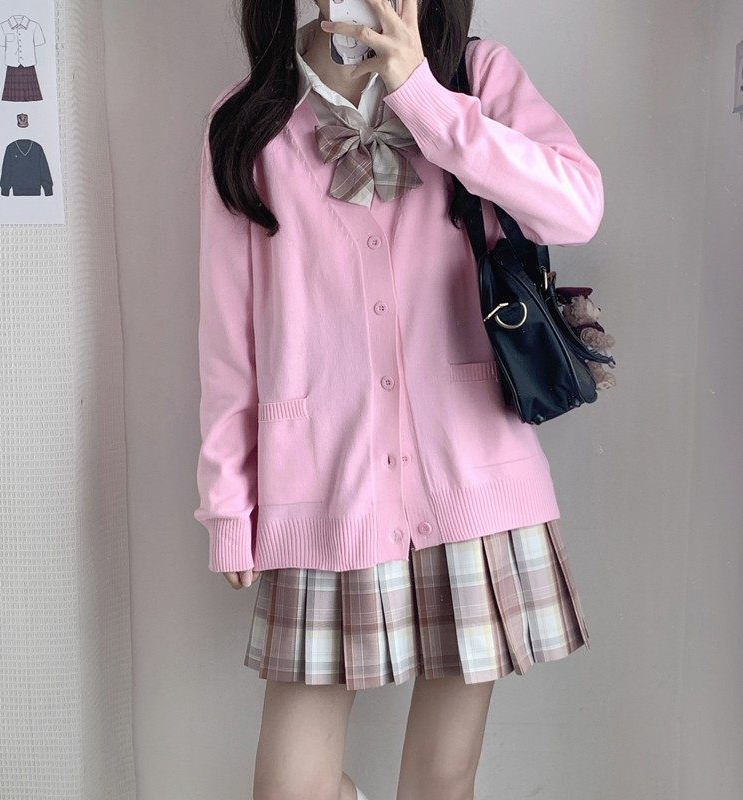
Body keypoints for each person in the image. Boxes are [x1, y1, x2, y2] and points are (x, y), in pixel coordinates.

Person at [194, 0, 603, 797]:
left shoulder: (475, 74)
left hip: (471, 481)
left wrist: (424, 98)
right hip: (323, 489)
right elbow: (227, 334)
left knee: (440, 784)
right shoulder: (248, 119)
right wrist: (227, 501)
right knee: (290, 789)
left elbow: (577, 206)